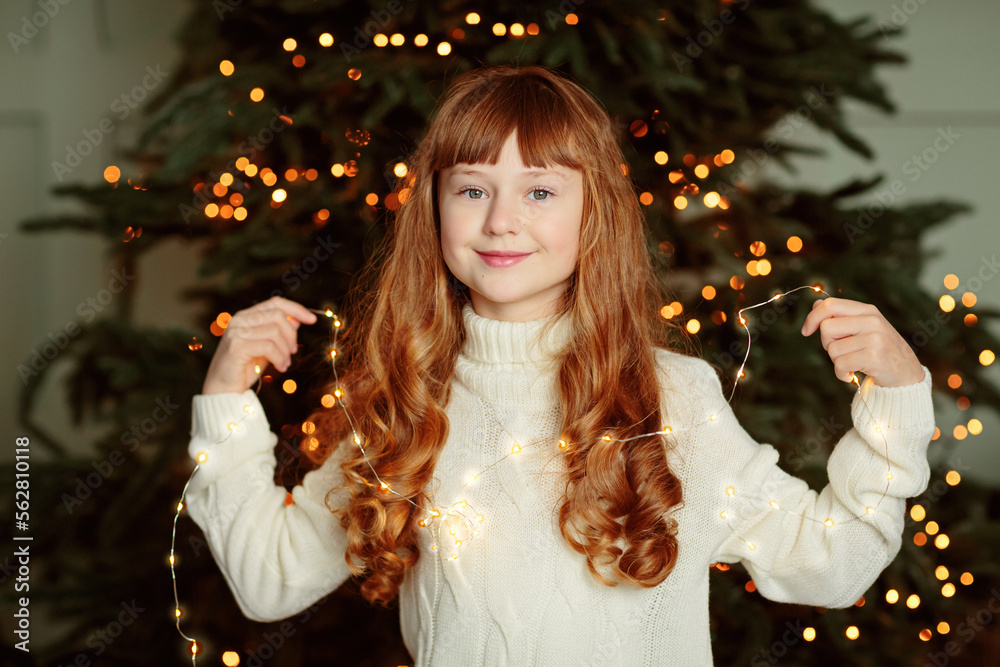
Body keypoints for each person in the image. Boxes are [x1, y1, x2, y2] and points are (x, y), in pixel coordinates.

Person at [185, 65, 935, 665]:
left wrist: (896, 399)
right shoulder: (409, 405)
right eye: (472, 189)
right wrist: (224, 400)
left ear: (592, 213)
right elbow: (267, 577)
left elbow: (832, 565)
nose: (501, 219)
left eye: (539, 190)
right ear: (436, 212)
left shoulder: (672, 399)